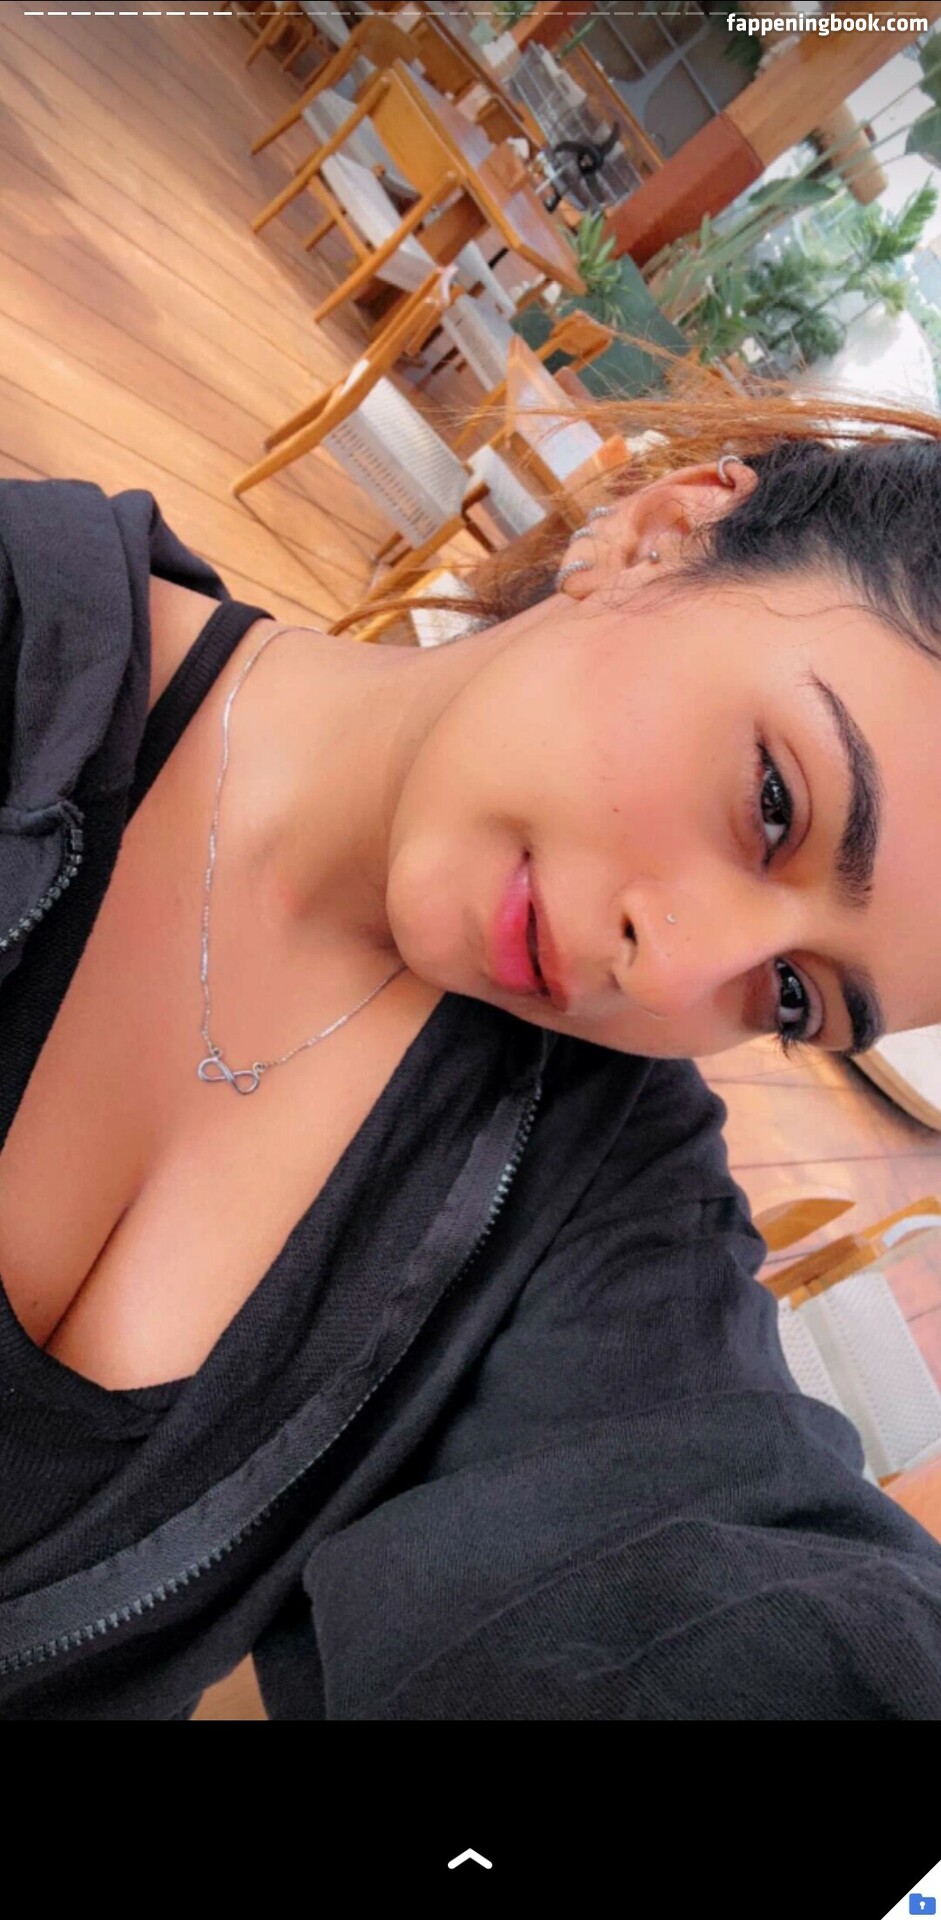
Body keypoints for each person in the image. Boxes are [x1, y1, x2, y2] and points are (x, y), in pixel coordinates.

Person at [3, 371, 941, 1721]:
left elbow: (682, 1554)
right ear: (658, 534)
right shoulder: (29, 645)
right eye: (774, 801)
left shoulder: (593, 1185)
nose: (670, 972)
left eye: (794, 998)